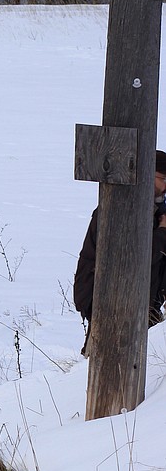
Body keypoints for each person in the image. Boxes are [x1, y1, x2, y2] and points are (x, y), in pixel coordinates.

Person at [73, 150, 166, 353]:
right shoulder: (122, 208)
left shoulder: (156, 211)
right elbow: (132, 261)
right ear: (148, 174)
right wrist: (162, 234)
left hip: (141, 308)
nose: (165, 186)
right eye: (162, 178)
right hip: (109, 305)